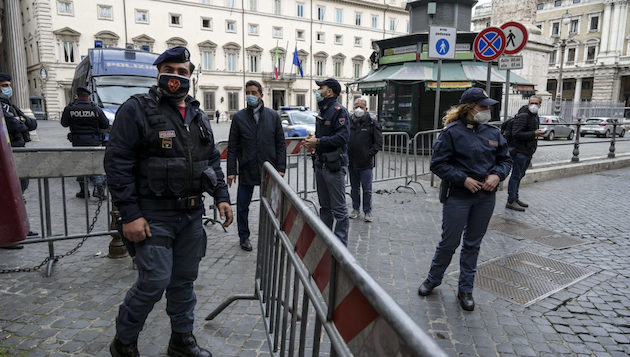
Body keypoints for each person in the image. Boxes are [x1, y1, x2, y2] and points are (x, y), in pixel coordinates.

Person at [104, 46, 233, 357]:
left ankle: (181, 340)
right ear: (158, 71)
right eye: (170, 70)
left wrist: (221, 197)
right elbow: (117, 163)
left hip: (190, 216)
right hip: (152, 215)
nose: (176, 77)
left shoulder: (199, 115)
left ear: (191, 76)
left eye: (183, 72)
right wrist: (130, 214)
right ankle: (124, 343)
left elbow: (212, 159)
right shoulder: (136, 109)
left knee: (184, 281)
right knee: (154, 281)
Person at [417, 87, 512, 311]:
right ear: (469, 108)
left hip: (485, 197)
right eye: (483, 106)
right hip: (458, 196)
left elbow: (505, 160)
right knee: (449, 242)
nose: (487, 110)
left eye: (488, 106)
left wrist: (497, 175)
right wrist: (463, 179)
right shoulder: (451, 132)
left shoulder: (493, 133)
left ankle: (465, 289)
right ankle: (433, 278)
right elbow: (438, 164)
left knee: (473, 244)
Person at [227, 80, 286, 251]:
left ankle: (273, 234)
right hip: (247, 168)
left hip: (269, 168)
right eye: (248, 93)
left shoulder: (273, 116)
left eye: (254, 92)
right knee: (242, 206)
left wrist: (281, 168)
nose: (250, 96)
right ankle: (244, 236)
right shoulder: (239, 118)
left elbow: (281, 144)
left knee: (271, 205)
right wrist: (231, 171)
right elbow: (232, 147)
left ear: (261, 94)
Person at [302, 78, 350, 245]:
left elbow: (342, 138)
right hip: (321, 165)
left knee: (339, 209)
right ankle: (325, 242)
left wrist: (319, 142)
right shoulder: (323, 110)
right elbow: (324, 138)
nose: (318, 91)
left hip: (333, 166)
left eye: (321, 88)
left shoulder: (338, 111)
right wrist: (313, 141)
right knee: (325, 208)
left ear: (329, 92)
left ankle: (340, 246)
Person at [1, 72, 38, 248]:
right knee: (8, 195)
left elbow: (32, 123)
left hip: (16, 150)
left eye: (8, 85)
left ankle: (21, 227)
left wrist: (20, 119)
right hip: (7, 153)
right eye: (4, 85)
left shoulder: (10, 105)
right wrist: (20, 121)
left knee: (19, 192)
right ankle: (8, 235)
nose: (8, 89)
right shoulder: (2, 107)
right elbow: (14, 125)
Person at [61, 86, 110, 199]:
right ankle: (99, 190)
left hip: (78, 142)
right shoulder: (95, 109)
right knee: (96, 165)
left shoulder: (70, 108)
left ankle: (84, 191)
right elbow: (105, 124)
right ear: (89, 96)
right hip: (94, 141)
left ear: (77, 96)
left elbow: (64, 123)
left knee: (80, 165)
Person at [505, 95, 545, 212]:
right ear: (528, 103)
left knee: (519, 175)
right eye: (531, 103)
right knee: (516, 176)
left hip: (527, 151)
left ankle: (515, 198)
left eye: (536, 103)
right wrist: (534, 133)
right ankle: (511, 200)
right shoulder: (524, 116)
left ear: (540, 105)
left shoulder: (534, 116)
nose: (533, 105)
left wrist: (534, 133)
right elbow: (516, 133)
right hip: (519, 151)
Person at [348, 98, 382, 222]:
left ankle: (367, 211)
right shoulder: (349, 121)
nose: (358, 109)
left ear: (366, 109)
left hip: (366, 163)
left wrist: (368, 154)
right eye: (356, 106)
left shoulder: (372, 123)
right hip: (352, 162)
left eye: (361, 107)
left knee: (367, 189)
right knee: (354, 188)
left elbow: (378, 143)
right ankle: (355, 209)